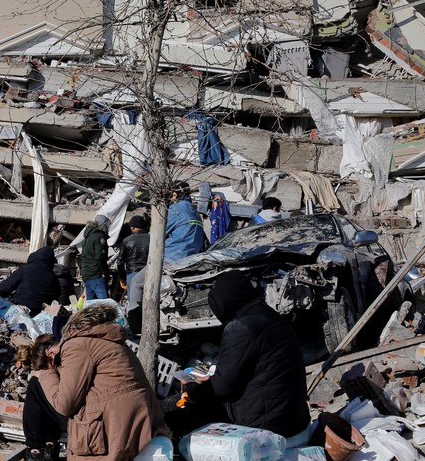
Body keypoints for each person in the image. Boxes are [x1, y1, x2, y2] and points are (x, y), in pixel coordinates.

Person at [7, 303, 167, 461]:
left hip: (111, 425)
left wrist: (46, 373)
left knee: (37, 384)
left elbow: (64, 405)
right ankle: (50, 459)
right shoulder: (104, 340)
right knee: (47, 389)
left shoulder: (76, 346)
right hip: (129, 418)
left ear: (51, 354)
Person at [166, 270, 310, 440]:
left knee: (182, 418)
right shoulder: (268, 315)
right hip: (294, 421)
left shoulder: (240, 328)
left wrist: (193, 389)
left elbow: (222, 389)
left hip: (268, 429)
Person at [0, 245, 60, 316]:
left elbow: (5, 287)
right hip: (41, 314)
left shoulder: (25, 269)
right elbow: (56, 299)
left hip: (20, 310)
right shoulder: (54, 277)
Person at [164, 181, 205, 263]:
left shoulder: (175, 209)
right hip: (190, 258)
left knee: (140, 276)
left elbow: (160, 232)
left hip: (172, 256)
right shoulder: (194, 210)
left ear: (174, 194)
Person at [119, 215, 149, 300]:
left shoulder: (127, 240)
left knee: (133, 302)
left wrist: (122, 279)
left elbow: (120, 262)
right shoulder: (151, 238)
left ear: (133, 227)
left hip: (132, 273)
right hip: (148, 273)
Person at [81, 214, 110, 299]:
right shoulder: (99, 236)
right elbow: (100, 257)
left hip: (86, 273)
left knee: (91, 303)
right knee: (104, 302)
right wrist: (105, 273)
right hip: (96, 274)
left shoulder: (88, 236)